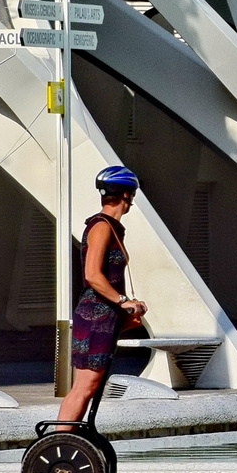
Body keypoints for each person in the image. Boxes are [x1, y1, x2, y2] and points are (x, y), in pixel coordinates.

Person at [59, 166, 148, 426]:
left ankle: (68, 438)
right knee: (84, 386)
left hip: (104, 316)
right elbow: (92, 275)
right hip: (94, 314)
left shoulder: (112, 227)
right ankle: (59, 441)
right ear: (127, 195)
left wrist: (128, 308)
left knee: (90, 386)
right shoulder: (101, 226)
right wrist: (123, 301)